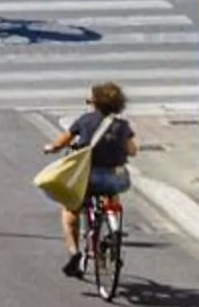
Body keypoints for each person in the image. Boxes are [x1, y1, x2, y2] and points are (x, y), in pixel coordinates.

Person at [46, 80, 135, 270]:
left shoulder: (85, 120)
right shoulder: (122, 125)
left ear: (95, 102)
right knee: (111, 191)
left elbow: (60, 143)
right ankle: (113, 224)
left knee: (70, 210)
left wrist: (51, 148)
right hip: (116, 178)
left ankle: (74, 252)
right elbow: (132, 150)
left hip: (88, 177)